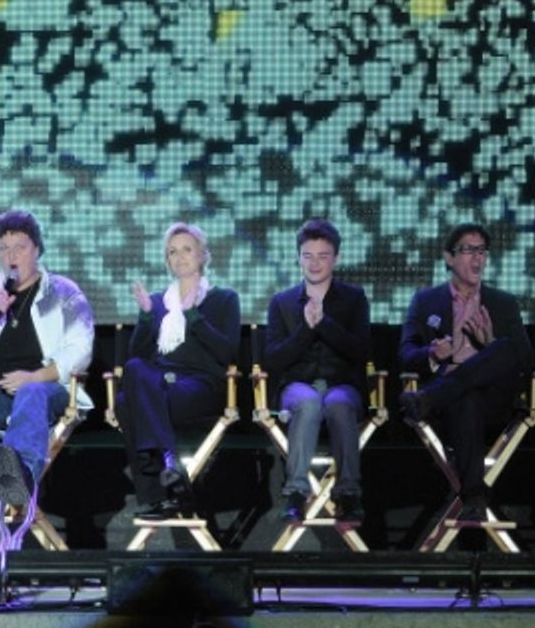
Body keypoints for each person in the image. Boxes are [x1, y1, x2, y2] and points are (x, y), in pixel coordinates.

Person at [0, 209, 94, 530]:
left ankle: (19, 473)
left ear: (36, 249)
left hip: (47, 392)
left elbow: (81, 350)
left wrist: (34, 377)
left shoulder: (63, 291)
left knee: (32, 391)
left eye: (20, 247)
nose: (11, 256)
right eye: (4, 249)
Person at [398, 223, 534, 521]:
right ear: (449, 258)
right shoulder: (425, 301)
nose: (477, 259)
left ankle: (428, 397)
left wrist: (489, 344)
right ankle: (473, 494)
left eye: (482, 251)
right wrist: (431, 354)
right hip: (454, 404)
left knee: (505, 346)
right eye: (468, 250)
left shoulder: (503, 302)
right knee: (466, 396)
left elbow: (524, 359)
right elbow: (406, 355)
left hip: (493, 398)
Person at [114, 223, 241, 520]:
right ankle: (169, 469)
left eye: (187, 249)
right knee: (132, 375)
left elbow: (227, 353)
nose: (180, 257)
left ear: (203, 256)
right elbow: (136, 357)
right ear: (167, 261)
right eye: (173, 252)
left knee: (126, 405)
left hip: (199, 386)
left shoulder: (224, 299)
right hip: (158, 383)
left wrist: (193, 315)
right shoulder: (157, 302)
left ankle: (154, 493)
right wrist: (146, 317)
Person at [264, 219, 370, 524]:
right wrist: (305, 329)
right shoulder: (282, 302)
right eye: (308, 255)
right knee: (309, 402)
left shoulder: (353, 299)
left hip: (342, 384)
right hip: (297, 385)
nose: (315, 263)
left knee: (338, 403)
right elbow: (273, 359)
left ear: (335, 258)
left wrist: (324, 323)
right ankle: (296, 493)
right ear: (298, 257)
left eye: (323, 255)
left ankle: (349, 494)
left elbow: (361, 351)